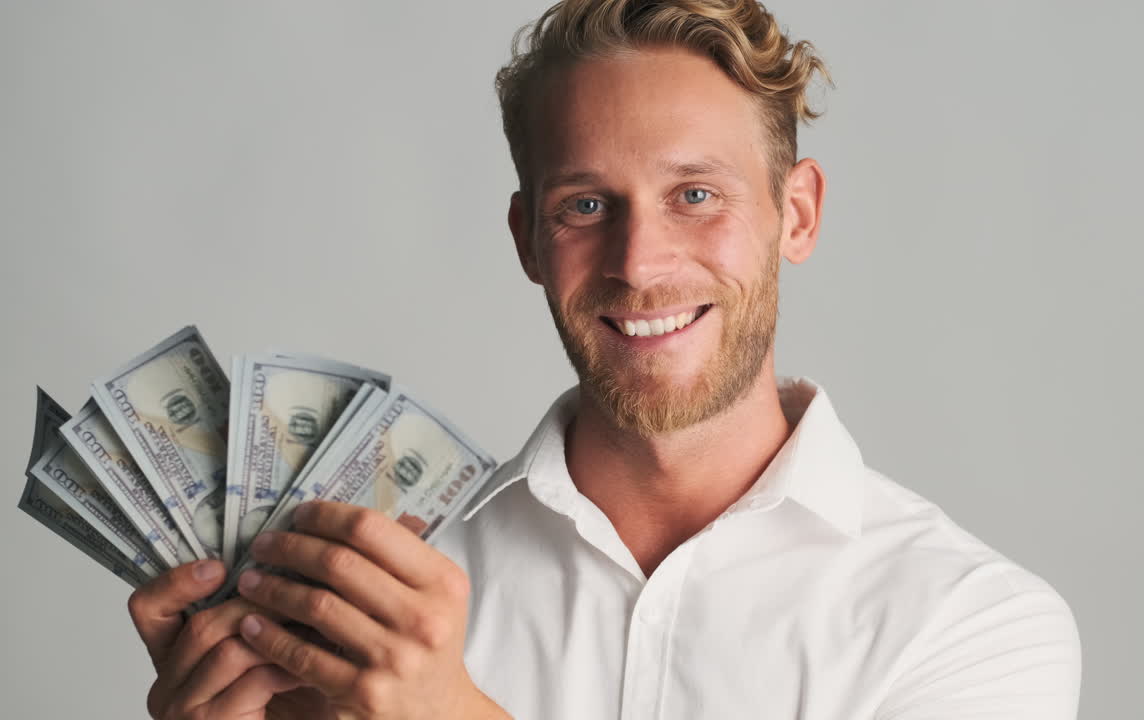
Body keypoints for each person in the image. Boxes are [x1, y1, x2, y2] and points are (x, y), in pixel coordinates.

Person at [125, 1, 1082, 718]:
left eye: (696, 195)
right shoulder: (369, 599)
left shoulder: (971, 624)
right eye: (586, 205)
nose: (640, 264)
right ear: (528, 240)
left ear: (797, 214)